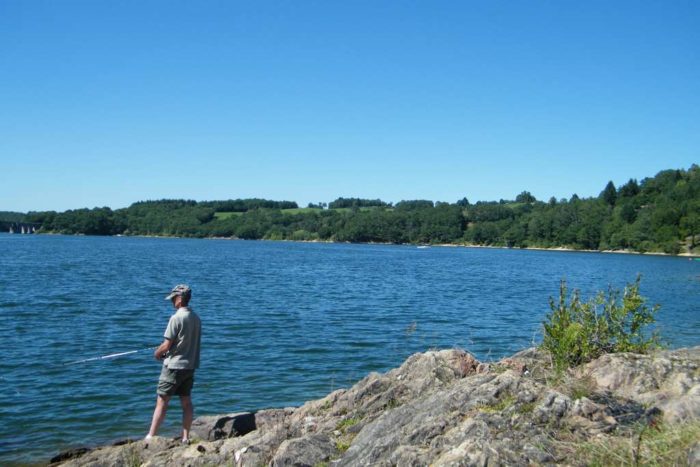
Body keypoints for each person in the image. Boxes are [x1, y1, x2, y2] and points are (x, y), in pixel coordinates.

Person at [146, 284, 202, 444]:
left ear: (179, 299)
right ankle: (185, 437)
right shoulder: (196, 318)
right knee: (186, 401)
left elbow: (166, 345)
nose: (171, 302)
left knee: (162, 401)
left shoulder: (176, 318)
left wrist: (157, 354)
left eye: (172, 299)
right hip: (190, 366)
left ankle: (151, 437)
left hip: (173, 366)